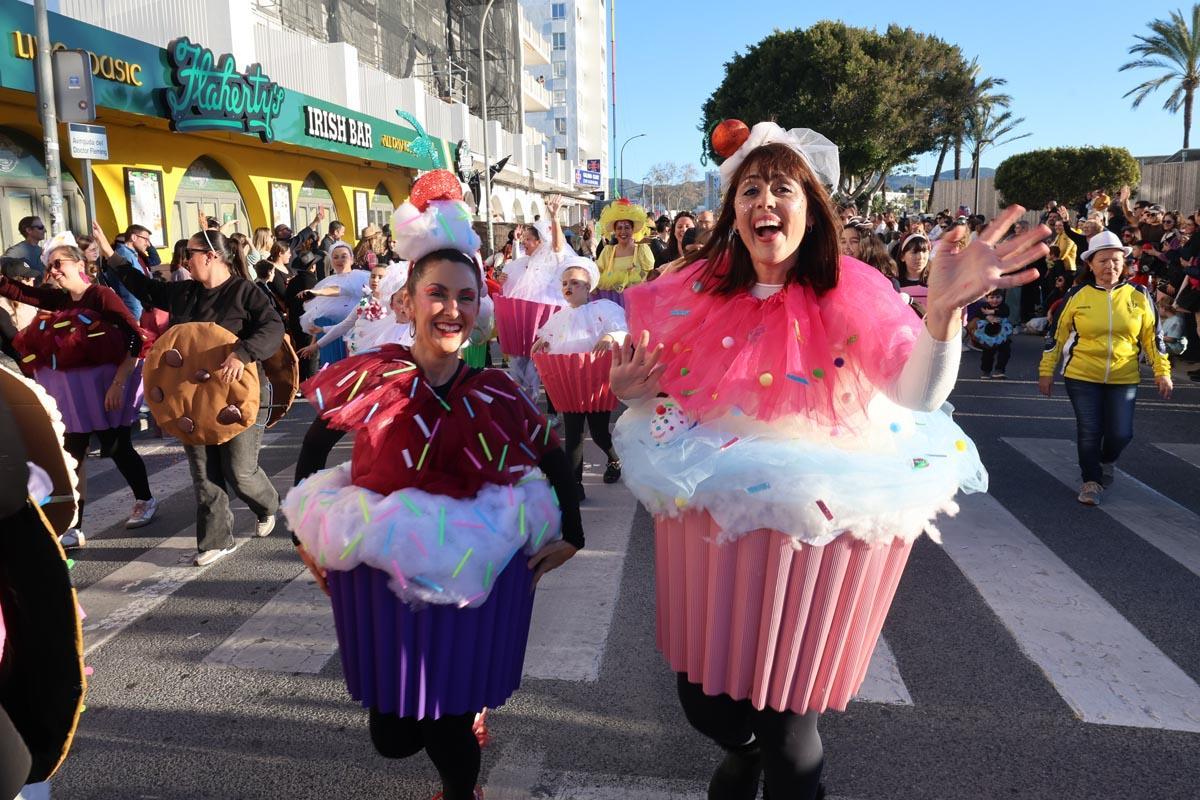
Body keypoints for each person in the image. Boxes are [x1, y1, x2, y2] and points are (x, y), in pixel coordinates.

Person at [608, 119, 1046, 799]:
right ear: (733, 213)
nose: (764, 201)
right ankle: (740, 747)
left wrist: (943, 319)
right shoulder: (696, 293)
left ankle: (765, 750)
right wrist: (632, 393)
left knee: (790, 724)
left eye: (783, 187)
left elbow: (917, 392)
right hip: (715, 508)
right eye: (750, 189)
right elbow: (662, 388)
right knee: (704, 701)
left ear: (810, 209)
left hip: (813, 513)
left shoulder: (852, 290)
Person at [282, 173, 582, 799]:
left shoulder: (497, 389)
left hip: (474, 560)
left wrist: (572, 533)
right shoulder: (374, 376)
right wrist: (303, 537)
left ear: (480, 307)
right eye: (437, 295)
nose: (451, 310)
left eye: (466, 297)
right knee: (392, 738)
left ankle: (460, 782)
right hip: (384, 560)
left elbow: (551, 455)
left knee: (446, 723)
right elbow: (314, 448)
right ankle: (455, 718)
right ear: (409, 301)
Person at [99, 227, 285, 565]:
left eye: (190, 254)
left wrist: (242, 354)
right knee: (203, 472)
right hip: (194, 399)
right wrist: (109, 253)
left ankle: (267, 505)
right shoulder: (185, 292)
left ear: (211, 256)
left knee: (239, 471)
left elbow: (273, 328)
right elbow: (144, 287)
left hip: (241, 396)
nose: (185, 260)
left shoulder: (246, 292)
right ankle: (215, 540)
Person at [0, 232, 156, 549]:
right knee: (72, 453)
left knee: (117, 447)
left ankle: (145, 499)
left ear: (79, 263)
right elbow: (15, 291)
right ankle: (74, 524)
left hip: (107, 386)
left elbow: (135, 338)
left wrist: (118, 383)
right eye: (49, 266)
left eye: (59, 264)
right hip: (73, 394)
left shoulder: (101, 296)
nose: (54, 270)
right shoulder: (57, 298)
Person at [1038, 230, 1172, 506]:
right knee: (1089, 430)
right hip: (1081, 375)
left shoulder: (1139, 295)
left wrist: (1163, 372)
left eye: (1115, 260)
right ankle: (1091, 481)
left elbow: (1152, 337)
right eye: (1103, 260)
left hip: (1124, 376)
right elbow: (1057, 336)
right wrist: (1046, 370)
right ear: (1090, 263)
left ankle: (1106, 460)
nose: (1109, 266)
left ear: (1123, 263)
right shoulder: (1077, 294)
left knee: (1121, 433)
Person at [532, 257, 627, 500]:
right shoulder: (559, 316)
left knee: (598, 433)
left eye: (575, 282)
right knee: (573, 435)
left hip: (595, 382)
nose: (568, 287)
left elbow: (621, 327)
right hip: (570, 385)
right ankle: (575, 486)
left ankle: (614, 459)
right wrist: (542, 341)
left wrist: (610, 337)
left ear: (588, 287)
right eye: (565, 282)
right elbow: (548, 334)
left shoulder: (603, 308)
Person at [495, 195, 569, 402]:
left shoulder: (551, 260)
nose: (524, 242)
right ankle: (524, 403)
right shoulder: (522, 263)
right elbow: (509, 286)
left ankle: (545, 406)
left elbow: (557, 246)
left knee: (543, 363)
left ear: (540, 242)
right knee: (520, 360)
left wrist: (554, 217)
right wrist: (503, 280)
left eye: (528, 239)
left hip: (544, 320)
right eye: (524, 239)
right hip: (523, 322)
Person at [298, 241, 371, 366]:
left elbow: (339, 290)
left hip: (352, 332)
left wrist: (316, 292)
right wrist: (313, 343)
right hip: (327, 336)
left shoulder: (360, 277)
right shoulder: (327, 281)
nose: (339, 260)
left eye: (344, 256)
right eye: (335, 257)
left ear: (352, 259)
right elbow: (317, 312)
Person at [594, 199, 654, 303]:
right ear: (614, 231)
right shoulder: (608, 251)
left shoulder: (642, 250)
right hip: (611, 304)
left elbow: (650, 276)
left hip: (636, 303)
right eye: (619, 228)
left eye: (627, 227)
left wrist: (636, 275)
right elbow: (596, 273)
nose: (623, 231)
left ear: (633, 230)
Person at [970, 289, 1014, 379]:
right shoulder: (984, 307)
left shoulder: (1003, 306)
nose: (995, 300)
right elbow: (977, 314)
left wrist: (992, 312)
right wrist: (987, 316)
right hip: (987, 337)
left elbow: (1006, 313)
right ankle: (986, 371)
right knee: (987, 354)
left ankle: (999, 370)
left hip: (1003, 337)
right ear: (986, 298)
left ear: (1002, 298)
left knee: (1005, 352)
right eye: (992, 297)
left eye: (998, 297)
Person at [2, 216, 46, 282]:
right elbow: (2, 264)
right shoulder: (17, 250)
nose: (45, 230)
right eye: (40, 227)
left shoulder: (42, 250)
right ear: (29, 230)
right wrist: (28, 272)